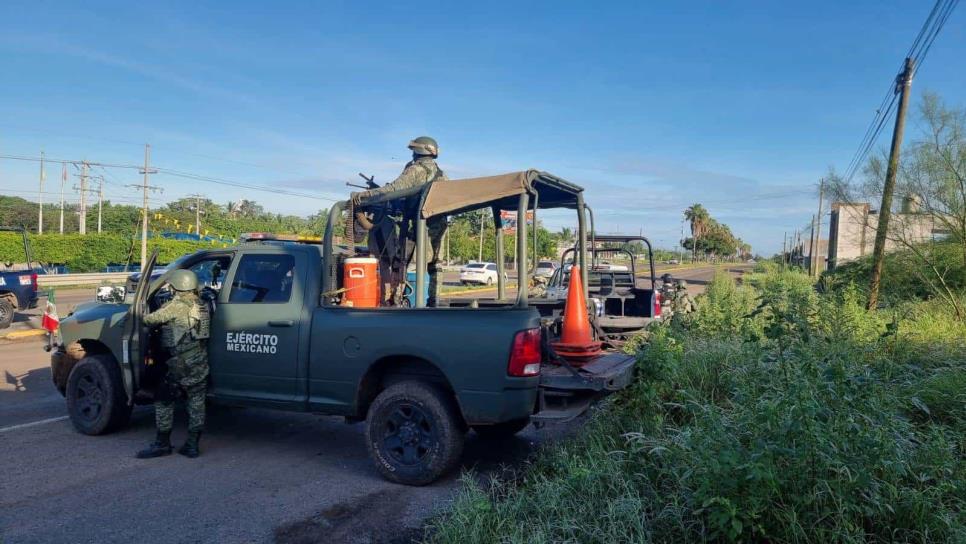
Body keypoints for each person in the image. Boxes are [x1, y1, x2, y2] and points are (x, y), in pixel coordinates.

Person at [352, 136, 449, 306]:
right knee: (436, 264)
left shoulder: (415, 170)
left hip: (418, 222)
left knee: (401, 260)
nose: (412, 155)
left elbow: (394, 189)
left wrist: (367, 195)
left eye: (413, 151)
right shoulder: (442, 175)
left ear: (418, 151)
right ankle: (435, 300)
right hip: (438, 221)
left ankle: (397, 299)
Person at [136, 269, 211, 459]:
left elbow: (150, 319)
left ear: (177, 286)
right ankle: (192, 445)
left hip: (180, 363)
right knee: (196, 402)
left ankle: (162, 444)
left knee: (163, 398)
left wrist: (139, 314)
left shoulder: (177, 306)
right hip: (200, 360)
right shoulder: (203, 304)